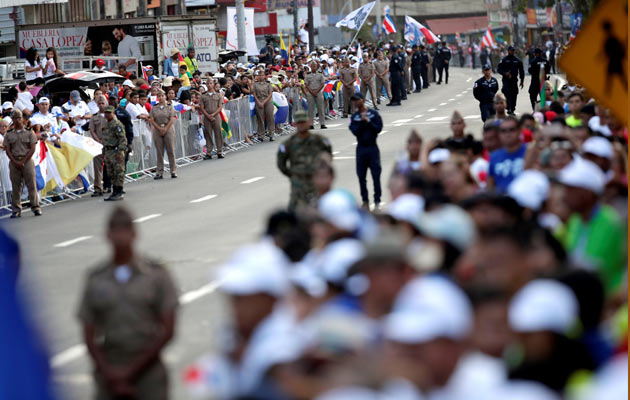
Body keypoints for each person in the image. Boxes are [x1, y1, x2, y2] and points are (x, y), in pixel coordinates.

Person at [77, 206, 178, 400]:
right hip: (110, 367)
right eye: (115, 231)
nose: (120, 237)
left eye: (125, 230)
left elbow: (168, 330)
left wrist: (130, 372)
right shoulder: (96, 278)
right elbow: (89, 333)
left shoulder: (155, 275)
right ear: (107, 235)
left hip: (148, 370)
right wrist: (110, 373)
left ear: (134, 234)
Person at [555, 158, 626, 294]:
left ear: (587, 193)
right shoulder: (574, 221)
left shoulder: (613, 223)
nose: (564, 195)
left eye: (571, 190)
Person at [277, 110, 332, 211]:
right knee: (295, 212)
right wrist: (293, 174)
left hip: (316, 181)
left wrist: (322, 171)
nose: (301, 125)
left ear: (308, 122)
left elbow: (328, 155)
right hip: (298, 183)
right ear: (295, 124)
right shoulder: (288, 144)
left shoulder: (319, 140)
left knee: (322, 209)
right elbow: (281, 164)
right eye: (299, 123)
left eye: (303, 122)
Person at [349, 92, 383, 210]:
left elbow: (378, 128)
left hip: (372, 147)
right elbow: (354, 131)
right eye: (354, 101)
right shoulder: (354, 117)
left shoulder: (373, 114)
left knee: (376, 175)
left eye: (357, 100)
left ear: (363, 100)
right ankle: (365, 200)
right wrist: (362, 123)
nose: (355, 102)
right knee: (361, 176)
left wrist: (368, 121)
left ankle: (377, 200)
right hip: (361, 148)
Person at [4, 110, 40, 218]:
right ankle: (16, 209)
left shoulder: (29, 132)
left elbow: (33, 148)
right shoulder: (9, 134)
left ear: (22, 119)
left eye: (19, 118)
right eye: (14, 118)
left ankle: (36, 207)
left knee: (31, 185)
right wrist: (15, 161)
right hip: (14, 161)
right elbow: (7, 149)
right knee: (16, 186)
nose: (17, 120)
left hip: (27, 160)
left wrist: (23, 161)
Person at [487, 116, 526, 192]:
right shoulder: (494, 156)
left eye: (512, 130)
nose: (507, 134)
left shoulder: (529, 152)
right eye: (503, 131)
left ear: (519, 131)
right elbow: (490, 187)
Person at [148, 90, 177, 179]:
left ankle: (173, 170)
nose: (160, 98)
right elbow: (151, 119)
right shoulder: (154, 107)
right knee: (159, 151)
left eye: (162, 96)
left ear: (165, 96)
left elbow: (172, 119)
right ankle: (159, 171)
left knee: (170, 150)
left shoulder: (169, 107)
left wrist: (165, 128)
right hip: (157, 129)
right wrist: (159, 128)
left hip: (168, 128)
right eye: (159, 96)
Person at [102, 106, 127, 201]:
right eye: (106, 113)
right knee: (111, 172)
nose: (107, 114)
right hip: (108, 151)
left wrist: (120, 150)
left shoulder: (117, 124)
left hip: (116, 151)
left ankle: (119, 191)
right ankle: (114, 191)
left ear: (113, 113)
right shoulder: (106, 125)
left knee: (118, 171)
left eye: (109, 113)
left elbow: (122, 139)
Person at [199, 82, 225, 159]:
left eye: (210, 83)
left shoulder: (218, 95)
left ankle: (220, 151)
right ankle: (209, 152)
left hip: (216, 116)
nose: (209, 85)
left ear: (213, 84)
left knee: (218, 134)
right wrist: (207, 115)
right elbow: (202, 107)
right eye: (208, 83)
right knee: (208, 134)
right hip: (207, 117)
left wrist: (213, 115)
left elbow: (220, 107)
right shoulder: (203, 96)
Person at [89, 95, 108, 197]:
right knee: (97, 167)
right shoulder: (94, 117)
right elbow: (92, 130)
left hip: (109, 143)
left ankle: (112, 185)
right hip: (98, 144)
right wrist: (98, 140)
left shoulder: (110, 115)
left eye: (103, 103)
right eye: (99, 103)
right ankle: (97, 188)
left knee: (111, 166)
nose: (101, 105)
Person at [497, 46, 525, 115]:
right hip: (506, 80)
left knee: (514, 94)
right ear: (508, 51)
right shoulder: (504, 60)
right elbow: (499, 70)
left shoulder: (517, 60)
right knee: (507, 93)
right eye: (511, 50)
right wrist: (505, 73)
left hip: (514, 80)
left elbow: (521, 71)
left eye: (513, 50)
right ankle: (508, 108)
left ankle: (512, 109)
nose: (512, 52)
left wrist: (522, 80)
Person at [253, 70, 276, 141]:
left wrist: (263, 102)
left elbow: (270, 94)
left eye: (262, 75)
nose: (261, 77)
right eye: (259, 75)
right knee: (260, 118)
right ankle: (261, 135)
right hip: (259, 100)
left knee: (270, 117)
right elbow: (254, 94)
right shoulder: (255, 84)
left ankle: (271, 134)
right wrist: (259, 102)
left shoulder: (268, 84)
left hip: (268, 101)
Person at [304, 60, 328, 129]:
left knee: (320, 108)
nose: (313, 67)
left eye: (315, 66)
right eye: (312, 66)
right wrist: (312, 92)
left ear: (317, 67)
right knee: (310, 109)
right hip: (311, 92)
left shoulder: (320, 74)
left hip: (318, 92)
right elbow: (306, 84)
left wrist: (316, 91)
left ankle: (322, 123)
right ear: (310, 67)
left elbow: (322, 84)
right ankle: (311, 124)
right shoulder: (308, 75)